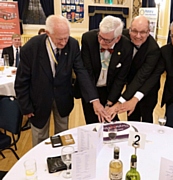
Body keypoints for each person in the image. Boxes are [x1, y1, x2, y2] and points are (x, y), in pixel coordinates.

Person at [14, 15, 109, 146]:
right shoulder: (31, 48)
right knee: (40, 135)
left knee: (63, 134)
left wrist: (94, 99)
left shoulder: (73, 44)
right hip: (38, 100)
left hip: (63, 98)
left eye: (66, 37)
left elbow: (81, 72)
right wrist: (25, 106)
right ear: (48, 33)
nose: (64, 43)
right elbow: (21, 81)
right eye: (59, 39)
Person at [75, 15, 133, 124]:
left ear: (118, 38)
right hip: (90, 88)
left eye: (106, 40)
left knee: (110, 122)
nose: (101, 42)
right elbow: (87, 73)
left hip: (110, 90)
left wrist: (109, 103)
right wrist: (94, 100)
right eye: (100, 37)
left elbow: (121, 78)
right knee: (92, 123)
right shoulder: (88, 39)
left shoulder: (126, 46)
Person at [108, 15, 161, 123]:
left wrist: (120, 101)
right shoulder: (121, 36)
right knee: (132, 117)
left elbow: (141, 77)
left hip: (147, 89)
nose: (138, 36)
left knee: (146, 118)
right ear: (129, 28)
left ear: (148, 32)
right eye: (135, 31)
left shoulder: (153, 49)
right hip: (129, 83)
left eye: (142, 32)